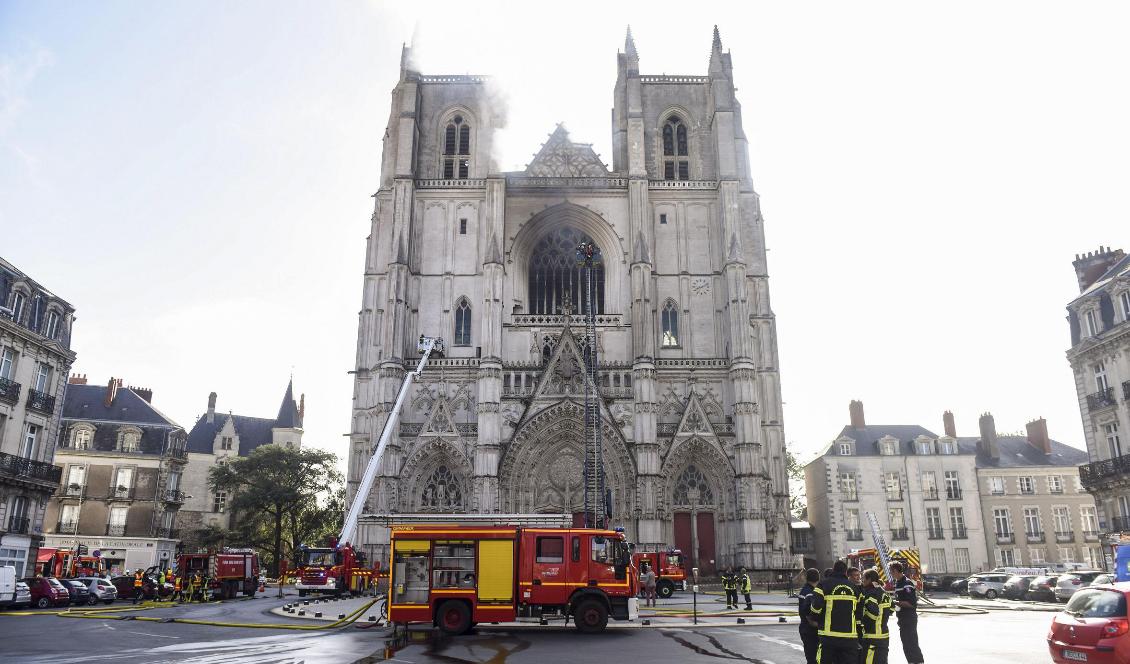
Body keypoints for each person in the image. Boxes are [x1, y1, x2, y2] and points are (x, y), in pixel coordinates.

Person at [808, 560, 861, 664]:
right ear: (846, 572)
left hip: (828, 637)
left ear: (833, 570)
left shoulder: (823, 585)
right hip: (849, 637)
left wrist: (815, 619)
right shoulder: (854, 587)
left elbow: (816, 607)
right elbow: (859, 611)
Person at [890, 562, 925, 664]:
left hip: (909, 618)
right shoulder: (898, 583)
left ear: (895, 571)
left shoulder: (907, 583)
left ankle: (918, 662)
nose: (891, 574)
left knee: (911, 643)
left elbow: (911, 603)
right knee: (906, 644)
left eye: (891, 571)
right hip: (902, 618)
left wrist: (895, 603)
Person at [858, 569, 893, 664]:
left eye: (863, 578)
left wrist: (863, 621)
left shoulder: (871, 594)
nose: (862, 580)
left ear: (869, 579)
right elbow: (892, 608)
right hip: (884, 635)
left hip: (872, 636)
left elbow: (873, 613)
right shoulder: (884, 592)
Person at [797, 568, 821, 664]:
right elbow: (808, 612)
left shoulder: (804, 590)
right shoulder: (811, 592)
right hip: (811, 628)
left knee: (811, 656)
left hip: (805, 627)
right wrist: (815, 624)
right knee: (814, 658)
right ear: (818, 577)